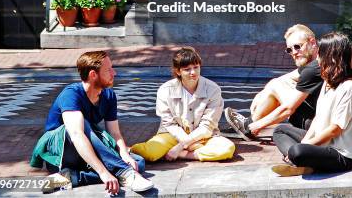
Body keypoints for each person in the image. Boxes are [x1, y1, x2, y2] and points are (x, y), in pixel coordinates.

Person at [30, 50, 153, 195]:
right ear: (93, 75)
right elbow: (76, 135)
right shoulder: (71, 94)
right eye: (109, 70)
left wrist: (125, 155)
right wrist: (102, 172)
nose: (114, 73)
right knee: (83, 125)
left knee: (137, 162)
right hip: (61, 151)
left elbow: (115, 133)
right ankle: (125, 173)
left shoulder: (108, 95)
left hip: (85, 150)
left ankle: (73, 177)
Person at [272, 32, 352, 176]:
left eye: (320, 54)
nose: (317, 58)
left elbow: (335, 130)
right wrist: (306, 141)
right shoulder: (328, 81)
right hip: (322, 145)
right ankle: (302, 162)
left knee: (297, 151)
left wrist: (304, 146)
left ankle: (299, 160)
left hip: (342, 154)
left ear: (331, 56)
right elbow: (318, 118)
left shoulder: (349, 85)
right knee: (280, 130)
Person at [131, 46, 235, 162]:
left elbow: (207, 126)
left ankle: (184, 155)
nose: (193, 72)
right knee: (149, 153)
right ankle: (124, 150)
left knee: (227, 149)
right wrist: (189, 143)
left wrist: (181, 147)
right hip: (172, 136)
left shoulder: (213, 89)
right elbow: (169, 124)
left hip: (205, 137)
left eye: (196, 67)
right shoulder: (165, 90)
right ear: (178, 71)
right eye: (187, 69)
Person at [225, 25, 323, 140]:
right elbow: (287, 78)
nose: (294, 52)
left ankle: (248, 127)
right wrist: (265, 90)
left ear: (312, 42)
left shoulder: (315, 68)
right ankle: (247, 125)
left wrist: (258, 125)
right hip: (316, 120)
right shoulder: (318, 62)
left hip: (314, 126)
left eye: (297, 46)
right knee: (276, 84)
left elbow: (288, 109)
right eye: (289, 50)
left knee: (276, 86)